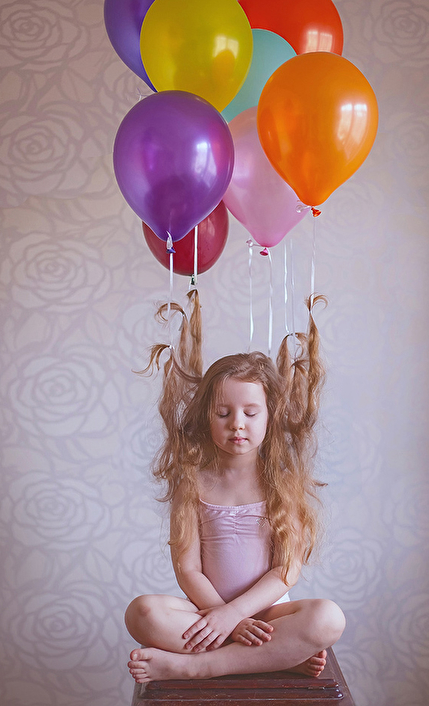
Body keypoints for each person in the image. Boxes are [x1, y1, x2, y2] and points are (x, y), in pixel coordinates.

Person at [125, 292, 345, 683]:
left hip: (269, 615)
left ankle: (197, 667)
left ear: (270, 416)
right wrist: (224, 617)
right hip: (208, 611)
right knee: (142, 613)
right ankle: (277, 657)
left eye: (250, 412)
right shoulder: (192, 483)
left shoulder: (282, 483)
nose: (237, 423)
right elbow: (188, 569)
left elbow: (286, 570)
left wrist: (237, 613)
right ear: (206, 418)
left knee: (328, 618)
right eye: (223, 413)